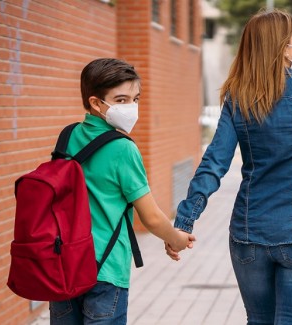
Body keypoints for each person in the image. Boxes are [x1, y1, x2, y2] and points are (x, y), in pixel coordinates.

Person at [167, 9, 292, 324]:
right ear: (283, 47)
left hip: (248, 236)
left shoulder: (238, 97)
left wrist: (185, 222)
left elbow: (214, 163)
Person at [49, 58, 195, 324]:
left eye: (135, 99)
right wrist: (176, 239)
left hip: (63, 263)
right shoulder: (123, 149)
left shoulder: (67, 136)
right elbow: (150, 217)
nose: (132, 108)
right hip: (104, 270)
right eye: (121, 100)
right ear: (96, 103)